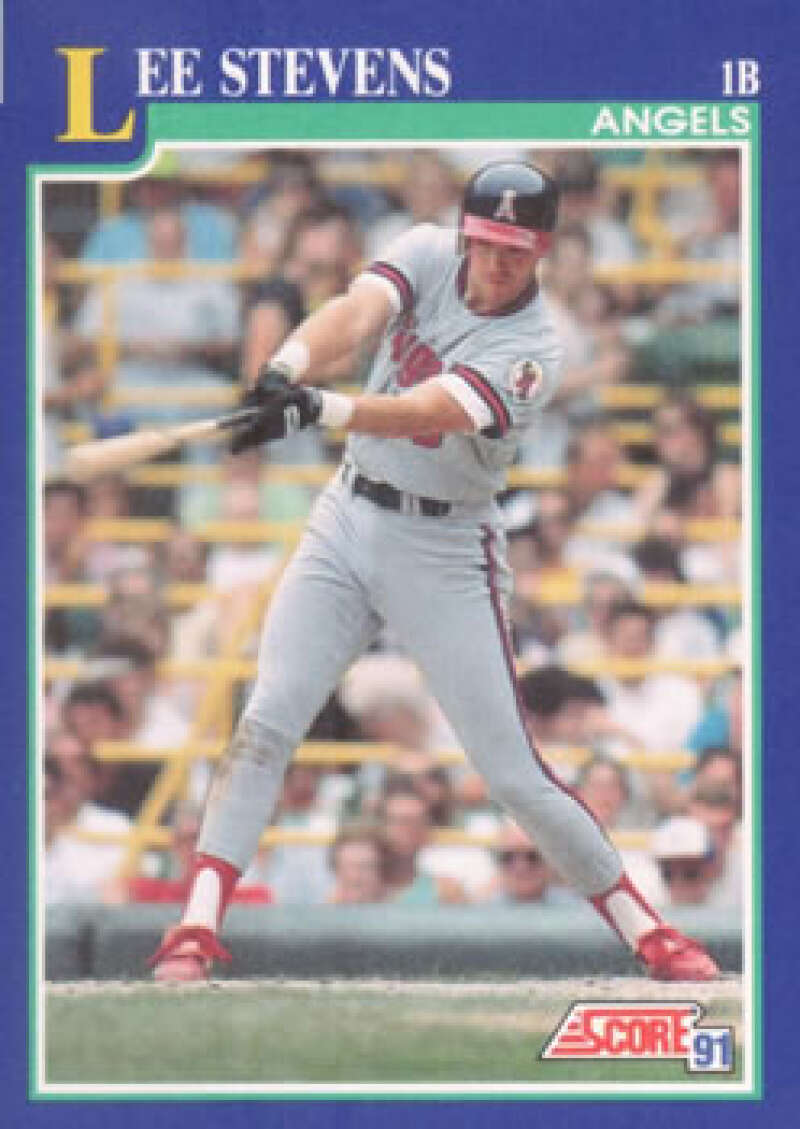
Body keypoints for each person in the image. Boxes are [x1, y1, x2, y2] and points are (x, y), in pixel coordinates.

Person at [148, 160, 717, 982]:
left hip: (446, 549)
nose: (498, 261)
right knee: (266, 719)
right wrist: (285, 367)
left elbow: (430, 409)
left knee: (513, 772)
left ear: (543, 250)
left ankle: (649, 930)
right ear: (466, 232)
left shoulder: (534, 347)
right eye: (487, 242)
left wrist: (324, 407)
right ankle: (195, 928)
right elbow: (356, 313)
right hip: (348, 514)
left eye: (517, 249)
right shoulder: (422, 250)